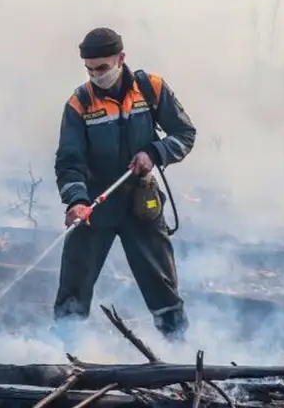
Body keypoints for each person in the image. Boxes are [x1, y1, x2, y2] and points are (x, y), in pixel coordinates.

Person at [53, 27, 197, 341]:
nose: (96, 75)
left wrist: (154, 153)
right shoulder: (79, 104)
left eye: (102, 67)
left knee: (161, 283)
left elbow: (185, 135)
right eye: (89, 69)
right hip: (95, 205)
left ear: (121, 58)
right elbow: (69, 162)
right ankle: (63, 353)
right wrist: (76, 201)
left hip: (141, 202)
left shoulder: (151, 89)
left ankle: (179, 352)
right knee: (74, 285)